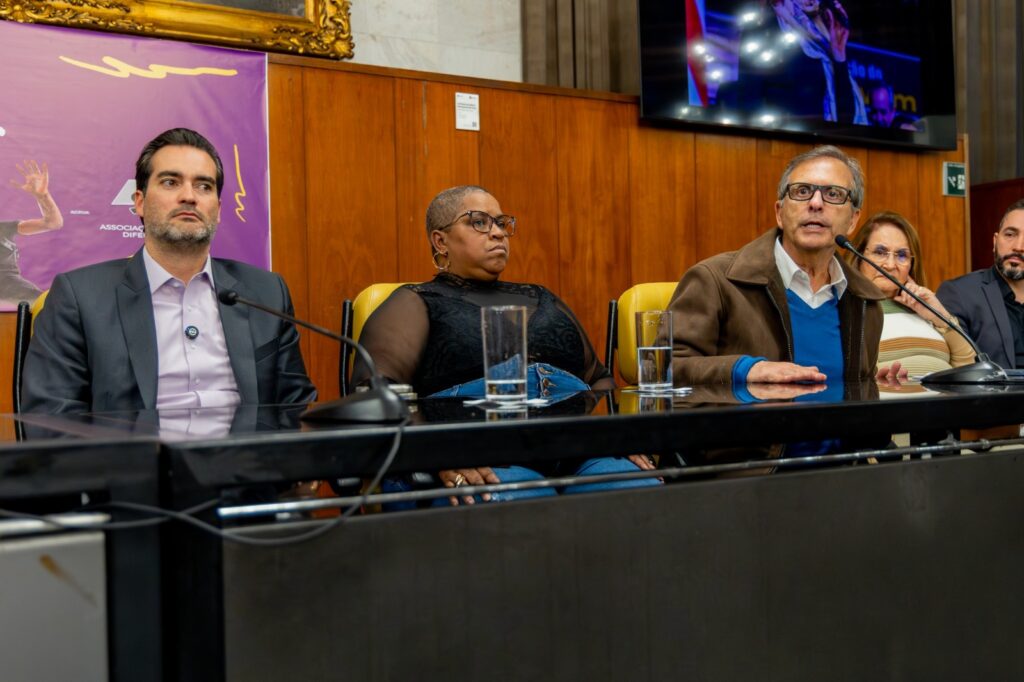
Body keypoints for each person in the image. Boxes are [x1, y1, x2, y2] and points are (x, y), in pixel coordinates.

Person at [352, 185, 658, 505]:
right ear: (440, 241)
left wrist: (607, 434)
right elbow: (374, 390)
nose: (498, 233)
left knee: (638, 491)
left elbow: (599, 378)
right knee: (525, 504)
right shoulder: (415, 301)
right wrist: (435, 452)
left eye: (501, 223)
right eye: (479, 222)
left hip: (573, 449)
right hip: (476, 453)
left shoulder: (540, 295)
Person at [22, 128, 316, 414]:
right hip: (137, 461)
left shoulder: (265, 292)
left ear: (218, 208)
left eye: (204, 186)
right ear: (139, 202)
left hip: (243, 460)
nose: (189, 196)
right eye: (170, 182)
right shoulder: (80, 297)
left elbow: (296, 406)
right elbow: (52, 417)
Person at [669, 144, 884, 388]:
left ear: (853, 220)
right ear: (780, 213)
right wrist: (746, 369)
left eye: (833, 194)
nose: (815, 203)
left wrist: (876, 384)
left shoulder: (865, 301)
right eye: (802, 191)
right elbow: (665, 366)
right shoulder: (715, 281)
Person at [844, 211, 973, 377]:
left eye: (902, 255)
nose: (890, 265)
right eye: (880, 252)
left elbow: (969, 367)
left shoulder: (925, 311)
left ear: (912, 265)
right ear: (859, 256)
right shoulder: (848, 309)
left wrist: (939, 316)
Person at [937, 198, 1024, 369]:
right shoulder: (959, 293)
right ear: (995, 242)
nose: (1018, 246)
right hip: (995, 395)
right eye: (1010, 234)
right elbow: (959, 369)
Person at [0, 159, 63, 306]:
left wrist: (42, 196)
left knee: (45, 308)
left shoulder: (3, 228)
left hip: (8, 286)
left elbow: (53, 223)